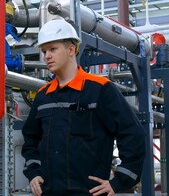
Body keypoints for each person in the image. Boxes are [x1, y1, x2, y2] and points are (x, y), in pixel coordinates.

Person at [21, 19, 146, 196]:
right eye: (44, 51)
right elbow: (30, 140)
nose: (46, 56)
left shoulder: (100, 89)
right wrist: (33, 173)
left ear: (71, 49)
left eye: (53, 49)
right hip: (49, 192)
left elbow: (133, 134)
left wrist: (119, 181)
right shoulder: (43, 96)